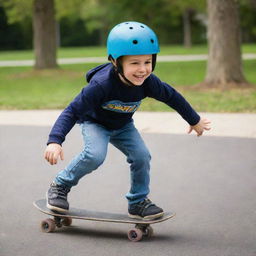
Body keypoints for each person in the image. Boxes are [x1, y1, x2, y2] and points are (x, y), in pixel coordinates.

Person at [44, 21, 211, 220]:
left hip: (123, 126)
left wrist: (194, 120)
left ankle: (138, 201)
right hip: (96, 123)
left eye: (147, 62)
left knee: (142, 156)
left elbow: (172, 96)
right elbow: (72, 111)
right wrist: (55, 140)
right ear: (116, 62)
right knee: (95, 155)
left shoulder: (149, 82)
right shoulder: (101, 85)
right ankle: (60, 185)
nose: (142, 70)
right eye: (134, 63)